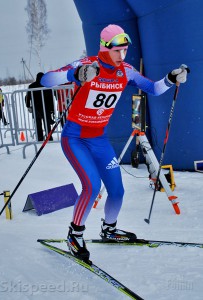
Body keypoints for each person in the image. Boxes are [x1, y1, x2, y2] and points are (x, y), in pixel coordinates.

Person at [41, 24, 188, 261]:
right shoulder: (87, 65)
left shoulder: (127, 71)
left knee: (117, 191)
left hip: (99, 138)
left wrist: (171, 79)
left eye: (125, 50)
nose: (122, 56)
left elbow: (153, 88)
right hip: (76, 138)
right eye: (117, 51)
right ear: (104, 47)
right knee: (91, 186)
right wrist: (74, 75)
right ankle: (74, 234)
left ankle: (109, 229)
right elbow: (46, 80)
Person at [25, 72, 55, 141]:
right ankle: (49, 137)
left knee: (38, 123)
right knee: (47, 123)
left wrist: (28, 105)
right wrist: (52, 109)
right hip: (46, 107)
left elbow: (27, 97)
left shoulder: (31, 86)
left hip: (36, 107)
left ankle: (40, 137)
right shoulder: (47, 85)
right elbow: (51, 98)